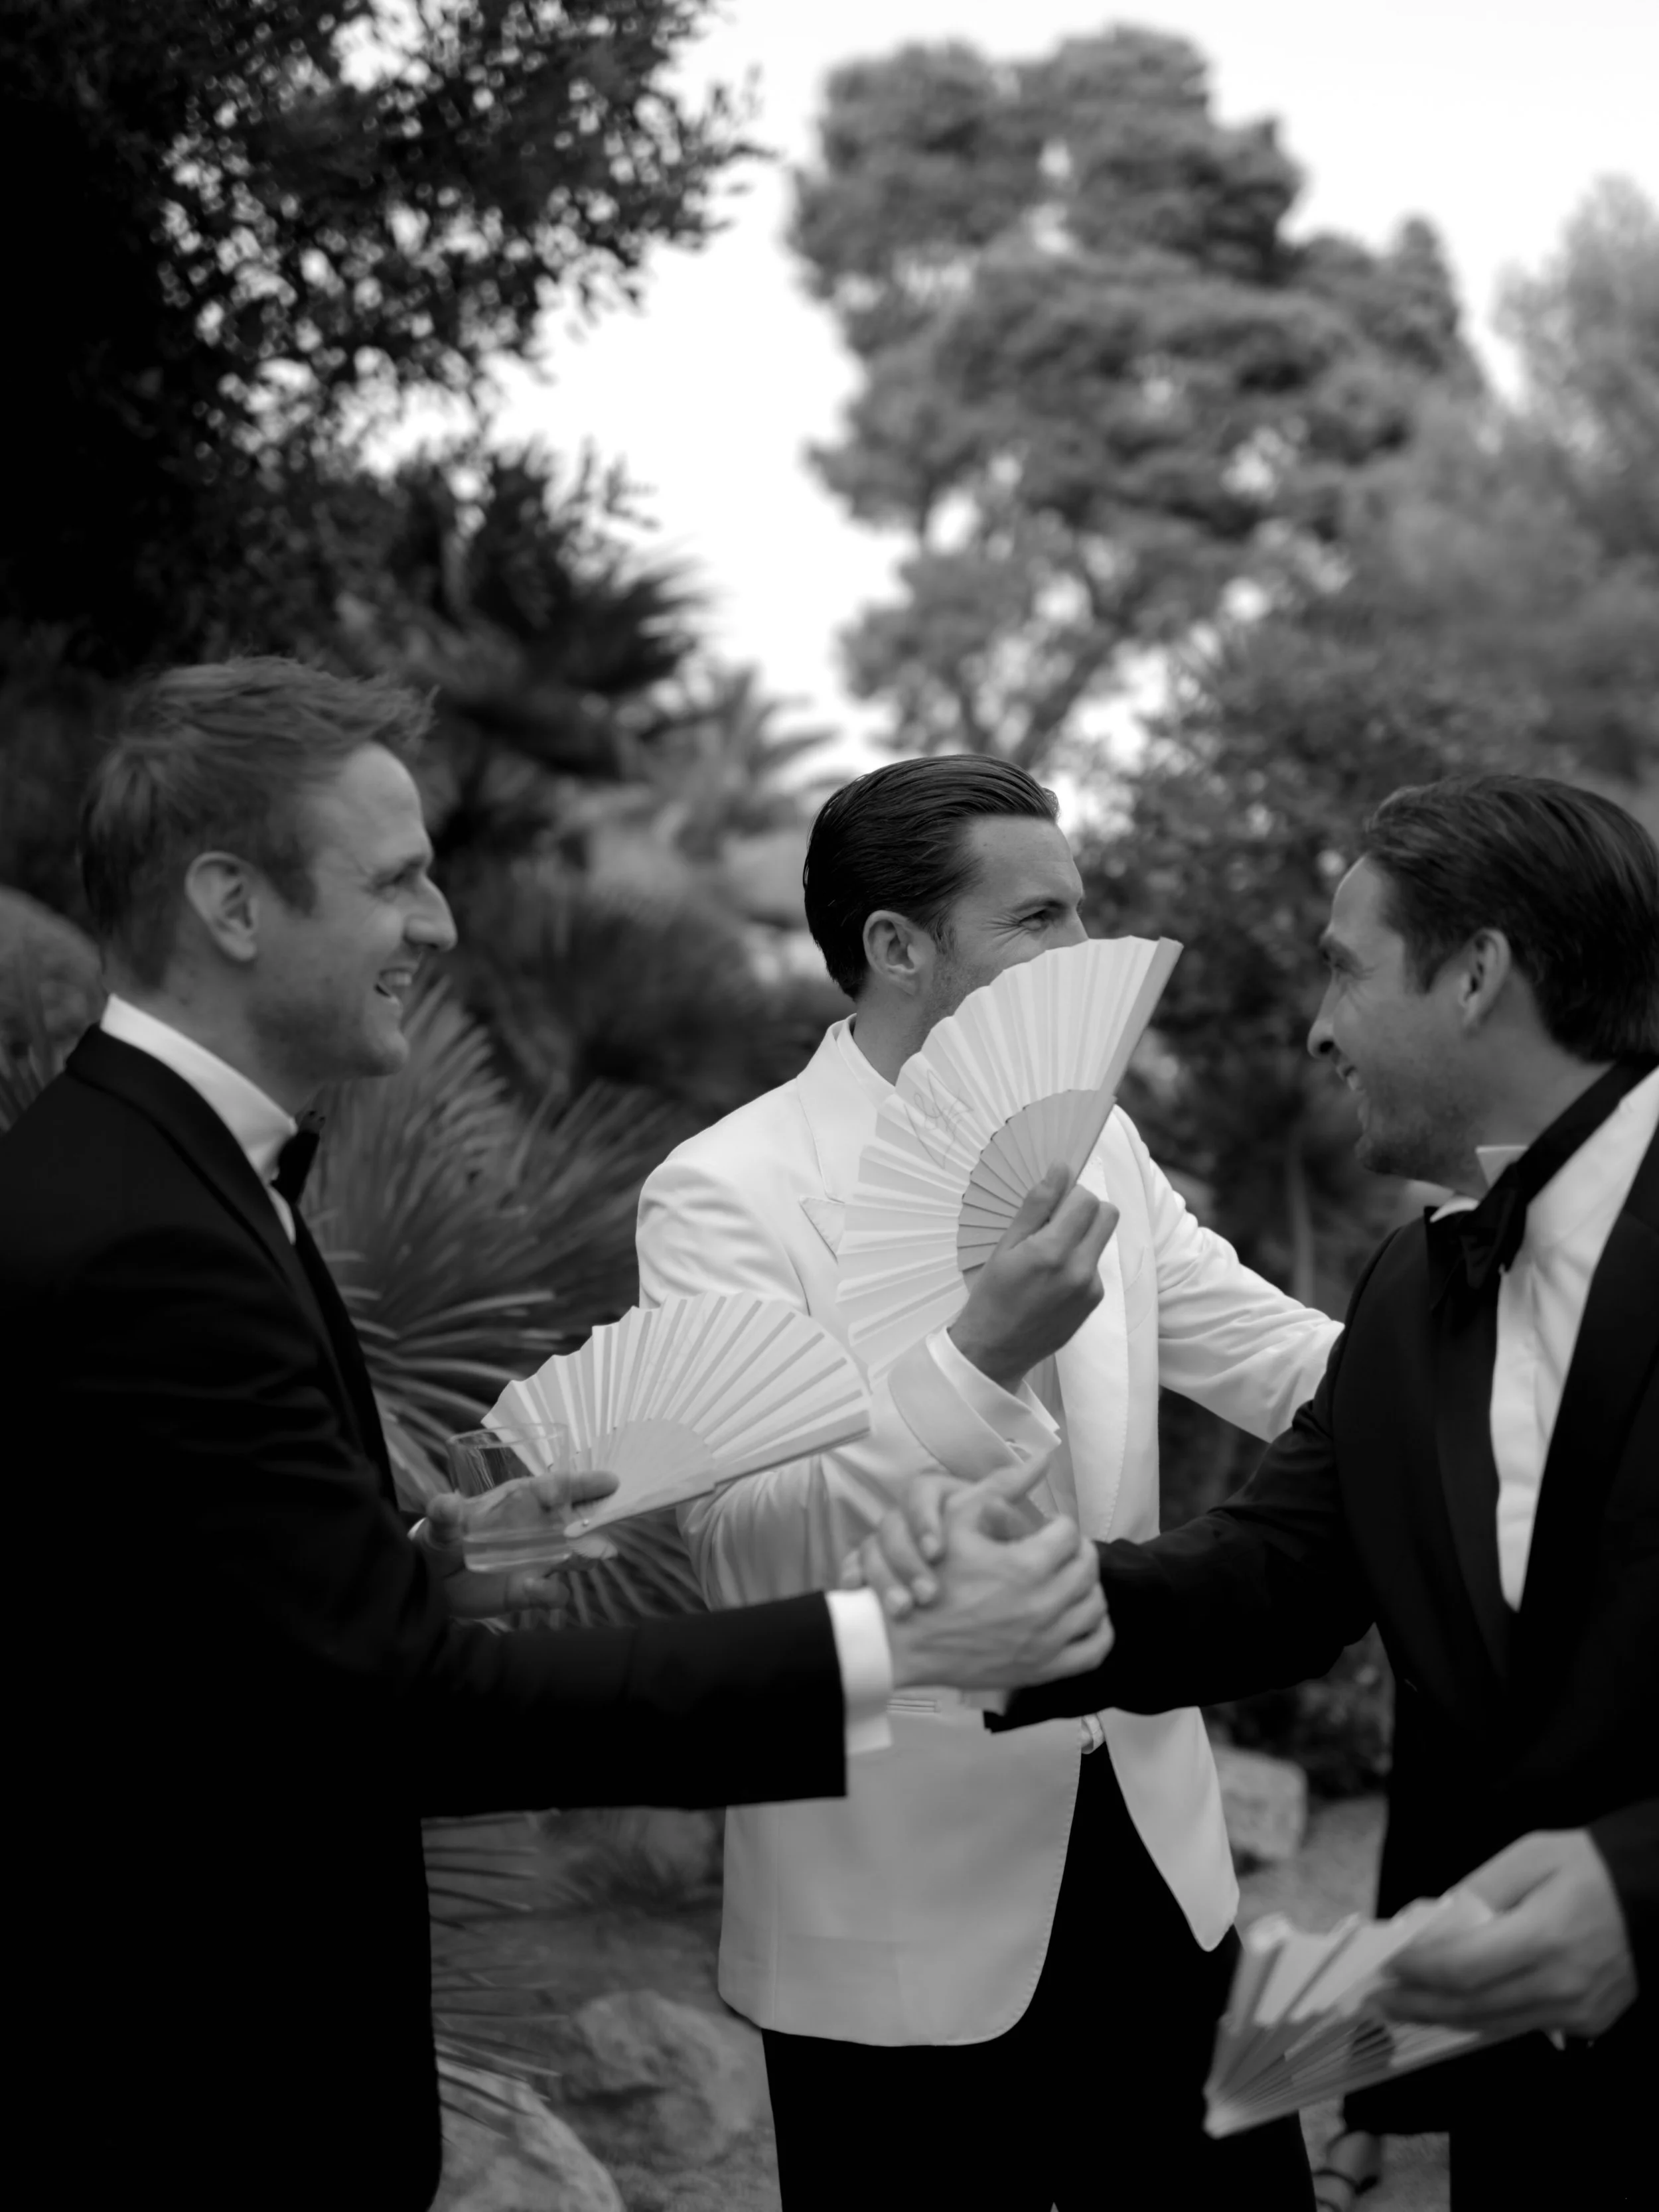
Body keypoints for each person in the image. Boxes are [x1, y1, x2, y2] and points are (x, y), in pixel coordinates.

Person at [1, 661, 1114, 2212]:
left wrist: (409, 1573)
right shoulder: (147, 1235)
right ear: (231, 903)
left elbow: (210, 1637)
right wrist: (896, 1639)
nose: (439, 924)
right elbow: (417, 1713)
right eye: (395, 880)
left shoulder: (164, 1171)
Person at [860, 772, 1658, 2209]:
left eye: (1344, 968)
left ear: (1475, 972)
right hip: (1549, 2118)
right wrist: (1010, 1613)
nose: (1317, 1026)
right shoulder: (1417, 1290)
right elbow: (1266, 1582)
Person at [634, 756, 1340, 2209]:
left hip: (1158, 1855)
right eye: (1035, 918)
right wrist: (971, 1359)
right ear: (897, 946)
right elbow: (744, 1554)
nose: (1078, 956)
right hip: (899, 1908)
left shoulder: (1099, 1141)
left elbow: (1271, 1350)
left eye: (1078, 913)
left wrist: (1509, 1369)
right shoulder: (724, 1190)